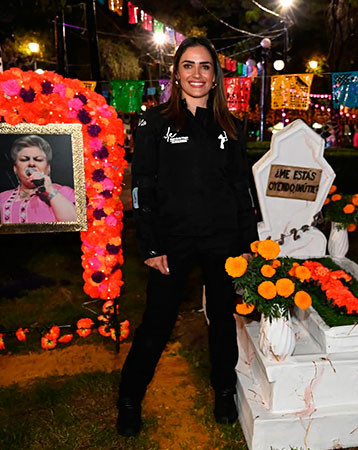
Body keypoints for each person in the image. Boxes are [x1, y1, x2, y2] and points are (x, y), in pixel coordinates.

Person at [116, 36, 258, 437]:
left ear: (216, 78)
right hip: (171, 242)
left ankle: (224, 389)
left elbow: (242, 188)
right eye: (188, 66)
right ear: (176, 75)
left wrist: (248, 244)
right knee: (156, 323)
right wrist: (150, 244)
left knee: (222, 321)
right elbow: (142, 186)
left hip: (222, 239)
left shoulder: (231, 126)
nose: (197, 73)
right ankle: (129, 399)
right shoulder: (154, 122)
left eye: (205, 67)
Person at [0, 135, 76, 223]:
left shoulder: (64, 192)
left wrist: (50, 190)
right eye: (24, 159)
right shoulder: (0, 199)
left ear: (48, 168)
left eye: (38, 160)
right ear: (15, 168)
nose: (31, 163)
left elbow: (75, 223)